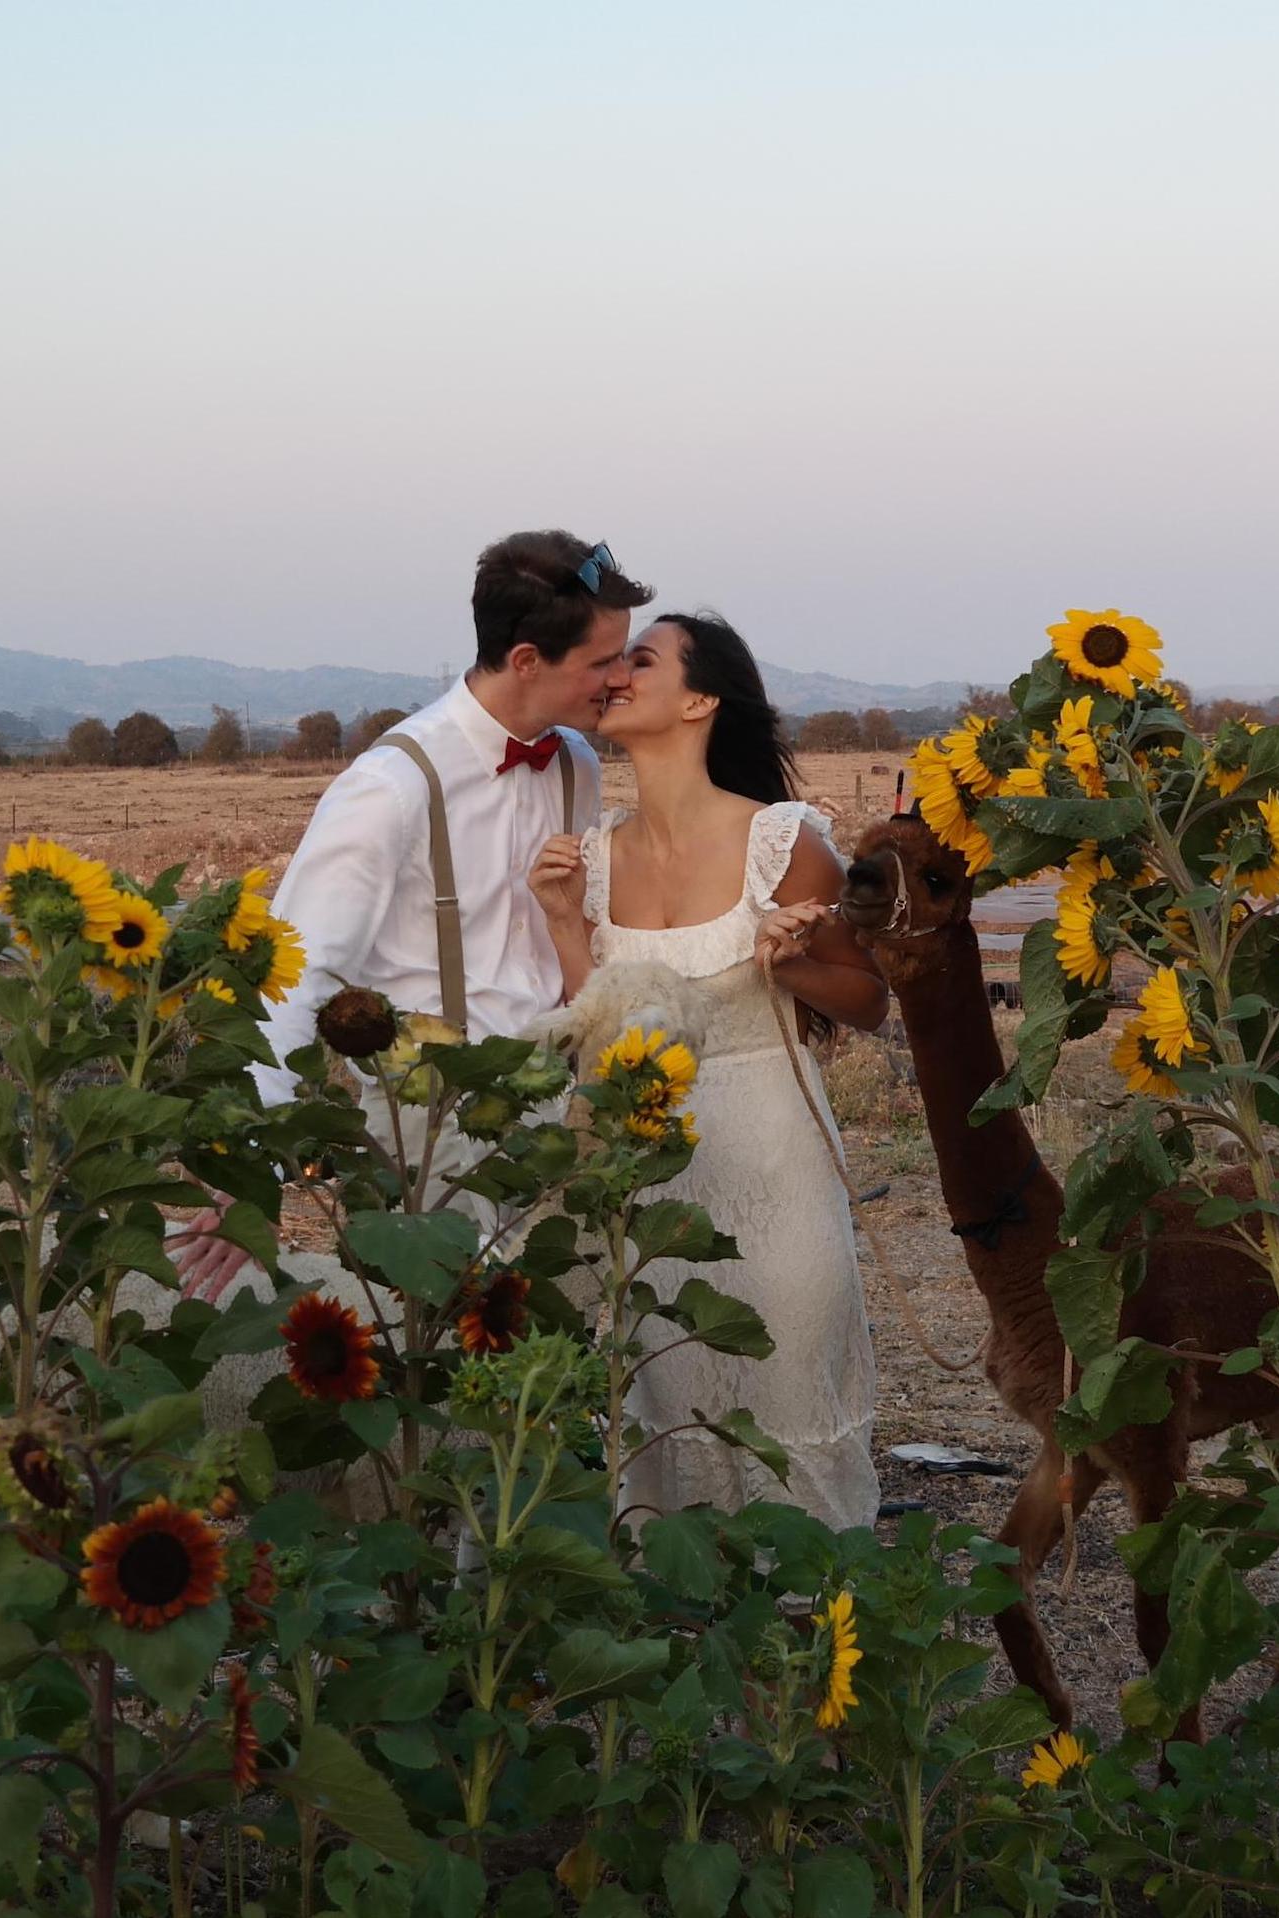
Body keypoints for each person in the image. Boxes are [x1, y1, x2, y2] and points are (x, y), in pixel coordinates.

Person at [171, 530, 653, 1301]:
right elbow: (294, 969)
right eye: (602, 661)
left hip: (560, 1108)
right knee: (448, 1355)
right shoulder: (392, 785)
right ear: (526, 659)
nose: (621, 678)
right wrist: (248, 1168)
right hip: (433, 1128)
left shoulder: (577, 764)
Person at [527, 613, 887, 1533]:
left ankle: (815, 1649)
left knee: (793, 1405)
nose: (613, 673)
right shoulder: (592, 858)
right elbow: (599, 1041)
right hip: (652, 1180)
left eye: (638, 660)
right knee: (666, 1416)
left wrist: (791, 962)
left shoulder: (784, 841)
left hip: (777, 1165)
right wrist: (567, 925)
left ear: (698, 699)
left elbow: (868, 1000)